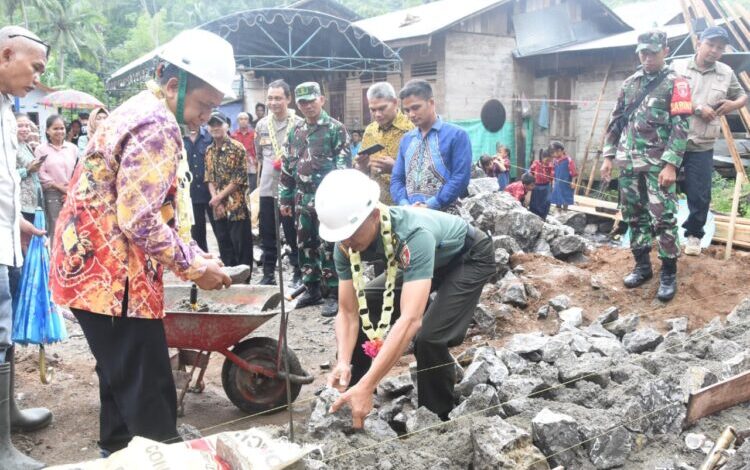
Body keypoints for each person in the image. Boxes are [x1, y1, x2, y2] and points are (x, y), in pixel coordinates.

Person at [49, 29, 234, 456]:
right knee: (149, 391)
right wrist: (194, 267)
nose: (205, 117)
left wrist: (191, 251)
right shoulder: (157, 125)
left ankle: (115, 454)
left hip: (93, 270)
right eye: (204, 105)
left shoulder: (138, 109)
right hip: (114, 281)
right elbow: (139, 219)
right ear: (174, 85)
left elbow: (143, 203)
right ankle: (159, 458)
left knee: (120, 377)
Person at [317, 169, 495, 425]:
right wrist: (343, 361)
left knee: (429, 337)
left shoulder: (412, 234)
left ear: (375, 216)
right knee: (368, 299)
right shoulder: (345, 244)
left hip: (468, 256)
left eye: (353, 233)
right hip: (427, 263)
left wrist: (371, 384)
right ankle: (351, 393)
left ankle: (436, 418)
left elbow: (410, 320)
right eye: (341, 236)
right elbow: (347, 312)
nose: (347, 241)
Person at [601, 30, 691, 302]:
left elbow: (681, 127)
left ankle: (668, 273)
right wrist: (607, 157)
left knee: (663, 218)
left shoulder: (679, 83)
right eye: (643, 52)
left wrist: (671, 165)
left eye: (652, 52)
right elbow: (616, 122)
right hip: (628, 164)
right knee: (633, 215)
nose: (647, 57)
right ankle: (642, 267)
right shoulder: (630, 84)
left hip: (657, 167)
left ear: (666, 49)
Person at [0, 25, 52, 470]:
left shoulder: (6, 106)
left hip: (6, 237)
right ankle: (0, 449)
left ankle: (8, 416)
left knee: (5, 329)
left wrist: (17, 220)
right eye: (34, 67)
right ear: (5, 55)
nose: (37, 77)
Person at [672, 26, 747, 256]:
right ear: (699, 43)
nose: (714, 51)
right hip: (673, 140)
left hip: (703, 143)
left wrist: (734, 105)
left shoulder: (725, 72)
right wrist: (697, 108)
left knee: (700, 193)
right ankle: (661, 233)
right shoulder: (677, 67)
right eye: (710, 45)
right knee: (662, 187)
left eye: (720, 48)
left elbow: (742, 94)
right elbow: (667, 97)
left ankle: (694, 236)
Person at [280, 82, 351, 317]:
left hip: (327, 197)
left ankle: (333, 293)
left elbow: (343, 165)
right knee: (304, 244)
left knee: (329, 246)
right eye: (302, 102)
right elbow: (288, 165)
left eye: (311, 100)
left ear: (322, 99)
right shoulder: (296, 130)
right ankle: (312, 288)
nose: (308, 106)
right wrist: (285, 198)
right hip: (302, 197)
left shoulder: (335, 129)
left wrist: (338, 195)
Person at [391, 79, 472, 212]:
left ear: (431, 103)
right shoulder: (406, 140)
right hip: (411, 215)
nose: (411, 114)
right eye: (407, 110)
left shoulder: (457, 135)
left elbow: (461, 177)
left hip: (445, 217)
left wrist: (432, 204)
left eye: (416, 107)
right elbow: (397, 179)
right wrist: (404, 204)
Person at [255, 79, 303, 286]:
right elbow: (259, 155)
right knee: (267, 233)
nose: (273, 103)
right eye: (270, 98)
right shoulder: (262, 124)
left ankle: (298, 273)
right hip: (267, 188)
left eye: (278, 98)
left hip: (291, 190)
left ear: (288, 99)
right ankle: (268, 275)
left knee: (293, 233)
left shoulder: (299, 123)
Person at [205, 110, 252, 269]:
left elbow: (238, 180)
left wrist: (218, 198)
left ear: (227, 126)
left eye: (219, 124)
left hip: (237, 207)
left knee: (241, 247)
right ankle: (229, 282)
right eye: (212, 124)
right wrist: (216, 200)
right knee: (224, 245)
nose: (215, 127)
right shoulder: (209, 151)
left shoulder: (237, 148)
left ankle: (245, 284)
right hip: (218, 208)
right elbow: (209, 178)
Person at [359, 82, 414, 205]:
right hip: (375, 204)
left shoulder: (412, 128)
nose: (377, 114)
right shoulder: (370, 130)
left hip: (405, 204)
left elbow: (426, 174)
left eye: (382, 108)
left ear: (395, 102)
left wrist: (396, 168)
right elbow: (364, 170)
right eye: (373, 110)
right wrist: (362, 166)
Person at [36, 114, 77, 240]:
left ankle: (69, 257)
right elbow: (40, 173)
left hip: (71, 192)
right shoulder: (41, 149)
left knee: (71, 226)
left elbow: (77, 169)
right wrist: (59, 187)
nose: (59, 131)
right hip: (52, 193)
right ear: (47, 130)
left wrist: (70, 188)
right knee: (56, 226)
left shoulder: (72, 148)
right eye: (55, 128)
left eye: (62, 128)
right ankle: (54, 258)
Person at [185, 123, 215, 253]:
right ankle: (205, 263)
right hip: (190, 193)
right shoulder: (179, 137)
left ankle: (228, 263)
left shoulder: (209, 136)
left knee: (220, 229)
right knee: (197, 232)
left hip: (211, 191)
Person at [14, 113, 45, 224]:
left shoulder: (25, 145)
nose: (25, 129)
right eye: (20, 126)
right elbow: (5, 175)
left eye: (27, 126)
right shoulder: (8, 147)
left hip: (34, 202)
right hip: (20, 203)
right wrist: (27, 170)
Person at [231, 111, 258, 193]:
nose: (243, 121)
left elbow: (258, 148)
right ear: (238, 121)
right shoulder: (233, 135)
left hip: (252, 165)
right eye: (241, 119)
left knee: (252, 188)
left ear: (248, 121)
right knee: (239, 189)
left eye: (245, 119)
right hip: (237, 165)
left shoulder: (254, 134)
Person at [549, 140, 577, 210]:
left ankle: (565, 211)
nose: (553, 154)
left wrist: (573, 182)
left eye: (554, 152)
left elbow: (573, 172)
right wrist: (553, 182)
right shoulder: (555, 160)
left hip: (566, 183)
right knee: (557, 198)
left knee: (565, 198)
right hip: (557, 183)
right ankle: (558, 211)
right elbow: (553, 172)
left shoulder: (568, 160)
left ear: (559, 150)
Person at [528, 149, 554, 219]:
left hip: (546, 186)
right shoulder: (536, 163)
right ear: (542, 157)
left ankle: (543, 217)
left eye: (550, 160)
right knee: (535, 202)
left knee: (546, 202)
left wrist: (549, 173)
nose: (548, 162)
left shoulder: (550, 165)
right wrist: (531, 180)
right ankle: (533, 216)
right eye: (547, 160)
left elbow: (552, 177)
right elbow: (530, 172)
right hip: (536, 186)